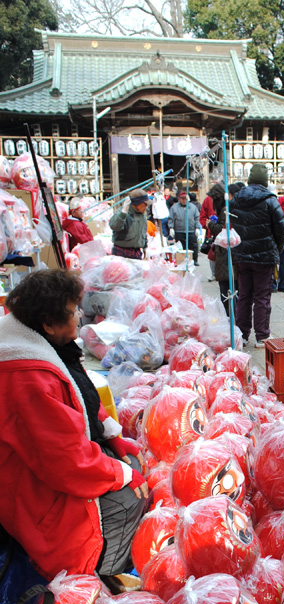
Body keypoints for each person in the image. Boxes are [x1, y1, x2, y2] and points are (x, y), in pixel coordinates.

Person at [0, 270, 149, 581]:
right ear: (48, 323)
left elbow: (81, 397)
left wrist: (112, 433)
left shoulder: (47, 344)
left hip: (56, 465)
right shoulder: (29, 378)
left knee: (132, 461)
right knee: (129, 498)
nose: (80, 316)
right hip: (33, 491)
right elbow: (67, 462)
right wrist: (121, 474)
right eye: (73, 312)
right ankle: (98, 575)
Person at [230, 164, 284, 348]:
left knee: (244, 295)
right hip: (264, 257)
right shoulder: (270, 200)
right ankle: (262, 336)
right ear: (265, 180)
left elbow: (230, 225)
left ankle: (242, 335)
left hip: (241, 255)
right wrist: (276, 250)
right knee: (262, 296)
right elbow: (281, 230)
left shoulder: (236, 199)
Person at [205, 183, 234, 308]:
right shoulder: (225, 210)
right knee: (226, 287)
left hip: (224, 254)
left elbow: (222, 229)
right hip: (224, 253)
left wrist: (210, 224)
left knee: (225, 288)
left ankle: (228, 316)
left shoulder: (225, 210)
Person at [109, 188, 151, 259]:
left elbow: (143, 232)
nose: (146, 206)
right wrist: (123, 213)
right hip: (121, 253)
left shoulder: (142, 215)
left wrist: (145, 247)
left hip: (136, 253)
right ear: (137, 203)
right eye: (145, 204)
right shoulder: (122, 212)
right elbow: (114, 226)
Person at [169, 189, 201, 268]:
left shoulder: (193, 207)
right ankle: (181, 260)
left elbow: (197, 218)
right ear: (179, 199)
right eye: (182, 199)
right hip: (179, 230)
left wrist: (197, 228)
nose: (184, 200)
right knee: (180, 247)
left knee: (193, 245)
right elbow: (171, 218)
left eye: (185, 199)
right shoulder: (174, 208)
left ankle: (194, 260)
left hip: (190, 230)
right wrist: (171, 228)